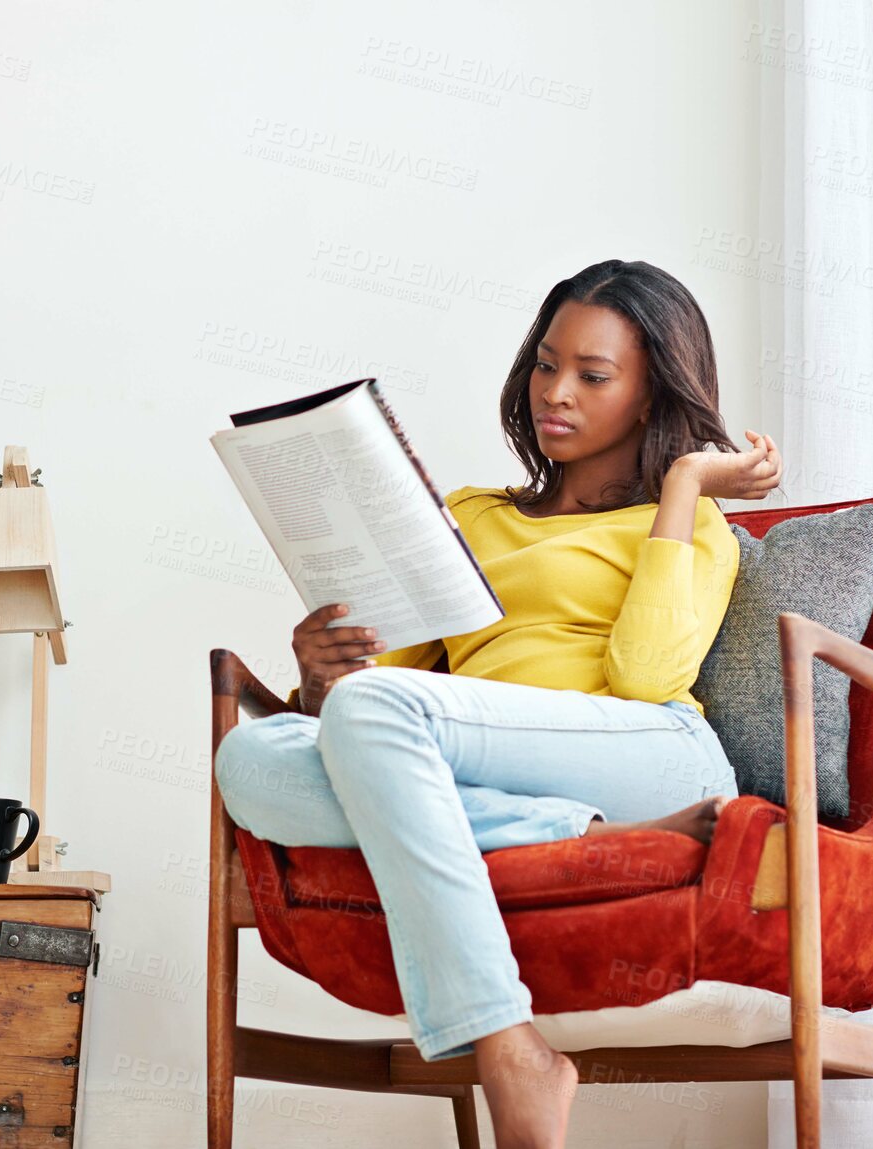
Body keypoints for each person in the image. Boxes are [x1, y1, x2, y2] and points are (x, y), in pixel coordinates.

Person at [213, 258, 784, 1148]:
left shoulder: (689, 522)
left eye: (592, 375)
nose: (555, 391)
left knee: (374, 716)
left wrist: (681, 484)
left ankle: (510, 1053)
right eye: (546, 364)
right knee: (250, 760)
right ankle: (569, 838)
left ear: (649, 394)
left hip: (648, 749)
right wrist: (320, 675)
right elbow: (370, 703)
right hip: (482, 760)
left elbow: (645, 675)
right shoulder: (471, 513)